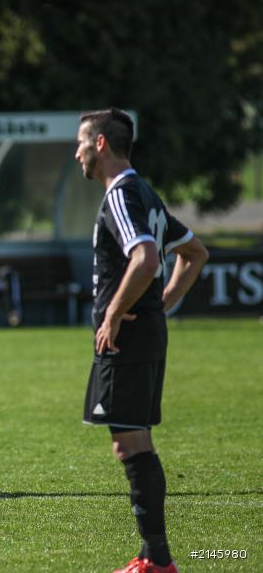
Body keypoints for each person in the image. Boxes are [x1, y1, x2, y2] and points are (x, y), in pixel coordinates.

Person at [75, 109, 208, 573]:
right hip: (145, 331)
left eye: (81, 143)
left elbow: (147, 257)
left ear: (101, 145)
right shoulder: (145, 191)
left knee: (131, 445)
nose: (77, 153)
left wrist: (114, 313)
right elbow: (194, 253)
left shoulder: (121, 195)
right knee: (133, 441)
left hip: (128, 338)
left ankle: (158, 560)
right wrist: (161, 304)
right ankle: (153, 556)